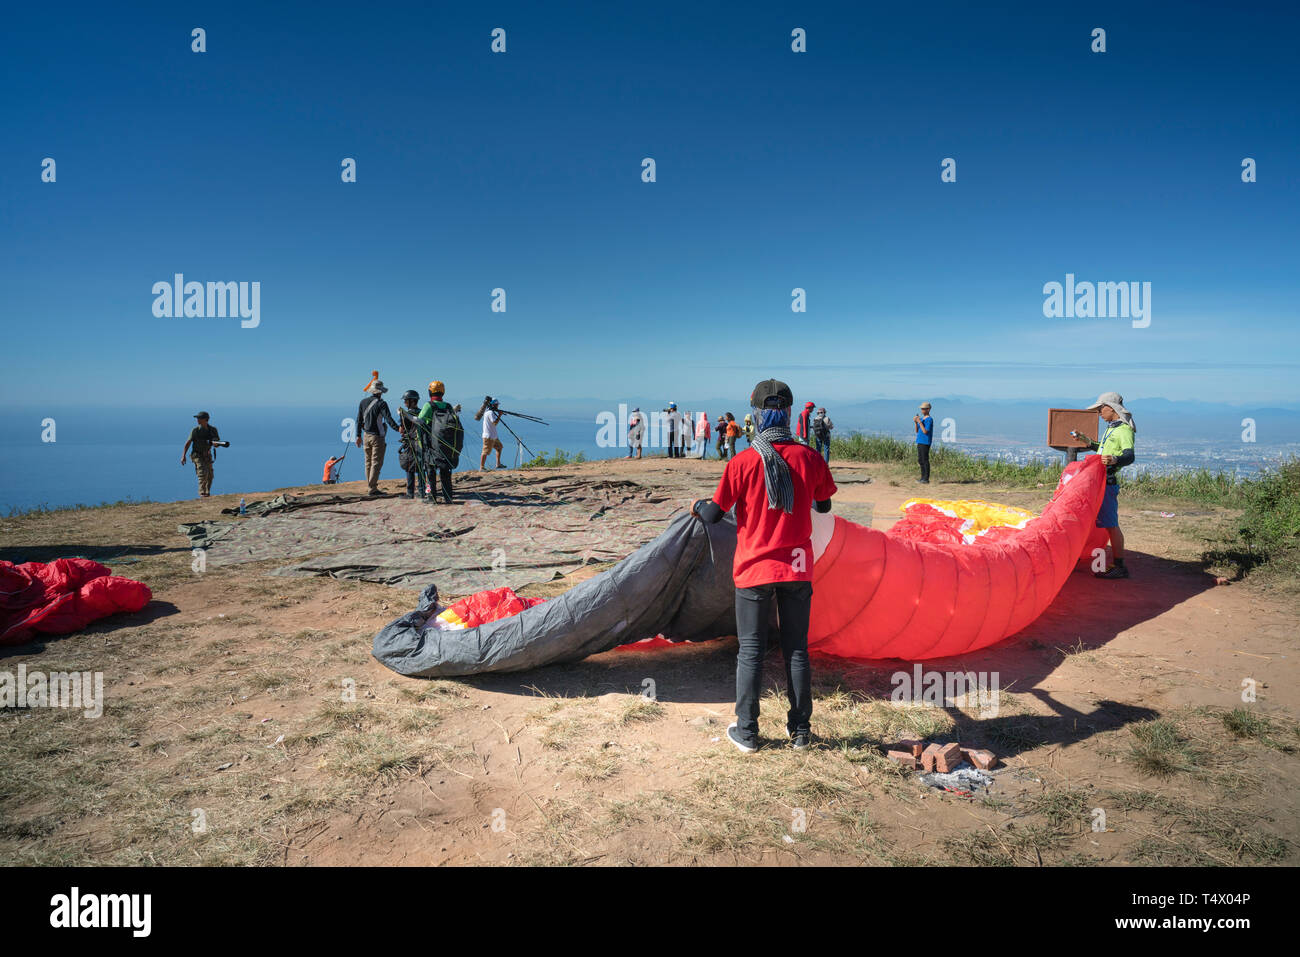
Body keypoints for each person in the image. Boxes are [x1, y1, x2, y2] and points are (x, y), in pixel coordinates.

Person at [692, 378, 837, 753]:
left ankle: (748, 731)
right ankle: (801, 732)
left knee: (751, 650)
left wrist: (696, 507)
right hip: (798, 568)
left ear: (755, 414)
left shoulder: (742, 462)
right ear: (789, 413)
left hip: (755, 569)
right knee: (796, 649)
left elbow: (712, 515)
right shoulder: (810, 458)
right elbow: (824, 506)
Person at [1078, 391, 1137, 580]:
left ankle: (1120, 566)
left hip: (1108, 482)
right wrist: (1087, 441)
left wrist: (1115, 460)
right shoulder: (1111, 428)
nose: (1099, 413)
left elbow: (1129, 455)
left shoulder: (1124, 430)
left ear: (1111, 409)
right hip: (1098, 480)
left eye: (1100, 409)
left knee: (1111, 525)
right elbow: (1102, 449)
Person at [417, 380, 464, 503]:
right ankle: (448, 497)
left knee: (430, 472)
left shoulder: (428, 405)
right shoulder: (448, 406)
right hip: (445, 445)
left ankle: (431, 496)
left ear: (430, 392)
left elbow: (420, 421)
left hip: (430, 444)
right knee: (445, 471)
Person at [356, 380, 400, 496]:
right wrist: (398, 428)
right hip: (377, 436)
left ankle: (370, 485)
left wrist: (357, 436)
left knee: (368, 462)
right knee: (376, 462)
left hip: (366, 435)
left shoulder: (363, 402)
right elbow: (388, 418)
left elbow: (358, 420)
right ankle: (372, 488)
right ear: (381, 392)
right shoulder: (382, 404)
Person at [181, 411, 225, 497]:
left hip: (207, 455)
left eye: (200, 418)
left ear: (206, 419)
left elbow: (216, 444)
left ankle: (207, 492)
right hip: (197, 454)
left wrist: (216, 444)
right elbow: (188, 443)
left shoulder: (213, 430)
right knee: (202, 472)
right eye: (197, 418)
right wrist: (183, 456)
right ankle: (202, 493)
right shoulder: (195, 430)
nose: (198, 420)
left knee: (210, 475)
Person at [396, 390, 424, 498]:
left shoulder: (406, 415)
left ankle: (410, 492)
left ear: (412, 401)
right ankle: (423, 491)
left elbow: (401, 430)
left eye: (406, 401)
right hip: (423, 444)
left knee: (409, 468)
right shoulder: (422, 412)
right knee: (422, 469)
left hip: (411, 444)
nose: (404, 403)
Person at [480, 399, 505, 470]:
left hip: (493, 436)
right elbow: (495, 423)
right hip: (489, 436)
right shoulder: (490, 413)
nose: (497, 406)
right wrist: (500, 415)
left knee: (499, 447)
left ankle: (498, 464)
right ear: (493, 405)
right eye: (496, 405)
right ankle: (481, 467)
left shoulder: (490, 412)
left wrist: (498, 414)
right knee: (485, 451)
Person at [913, 401, 934, 483]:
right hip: (920, 441)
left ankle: (926, 478)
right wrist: (916, 422)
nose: (922, 410)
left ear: (928, 409)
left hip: (925, 442)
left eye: (924, 409)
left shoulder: (929, 419)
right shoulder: (921, 419)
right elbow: (917, 430)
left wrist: (919, 422)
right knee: (920, 460)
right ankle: (922, 477)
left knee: (925, 460)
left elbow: (925, 431)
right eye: (921, 409)